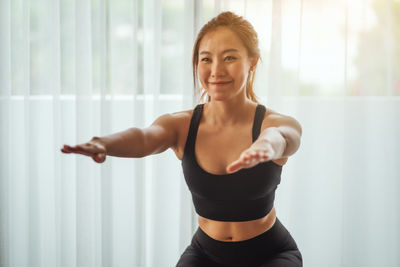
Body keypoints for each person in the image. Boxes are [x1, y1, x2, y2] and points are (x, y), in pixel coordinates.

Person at [61, 11, 302, 267]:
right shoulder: (182, 125)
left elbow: (283, 137)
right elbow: (144, 137)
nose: (216, 70)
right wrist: (104, 143)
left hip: (270, 254)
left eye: (230, 57)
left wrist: (265, 146)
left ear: (252, 61)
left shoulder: (274, 123)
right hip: (206, 254)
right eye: (206, 59)